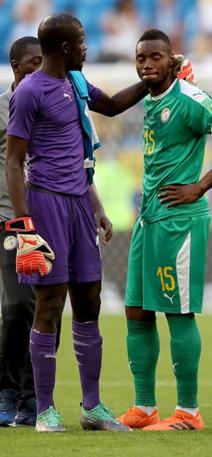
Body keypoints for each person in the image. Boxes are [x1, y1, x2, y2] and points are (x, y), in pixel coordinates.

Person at [6, 13, 150, 433]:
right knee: (50, 303)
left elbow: (112, 105)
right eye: (83, 41)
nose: (87, 48)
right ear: (66, 47)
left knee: (89, 300)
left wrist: (153, 81)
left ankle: (92, 408)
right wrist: (23, 226)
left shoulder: (76, 83)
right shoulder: (30, 91)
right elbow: (15, 162)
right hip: (45, 205)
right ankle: (46, 410)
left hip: (79, 206)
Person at [116, 29, 212, 431]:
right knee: (137, 310)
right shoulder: (150, 99)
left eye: (155, 57)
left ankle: (189, 413)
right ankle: (144, 407)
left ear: (171, 62)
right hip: (149, 217)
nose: (146, 64)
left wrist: (200, 186)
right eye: (140, 58)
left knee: (177, 312)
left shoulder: (191, 99)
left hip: (181, 220)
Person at [0, 36, 41, 428]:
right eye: (33, 62)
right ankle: (7, 390)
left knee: (45, 310)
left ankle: (33, 399)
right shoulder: (2, 107)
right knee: (16, 306)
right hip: (10, 219)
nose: (40, 68)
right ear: (15, 67)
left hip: (52, 217)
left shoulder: (53, 103)